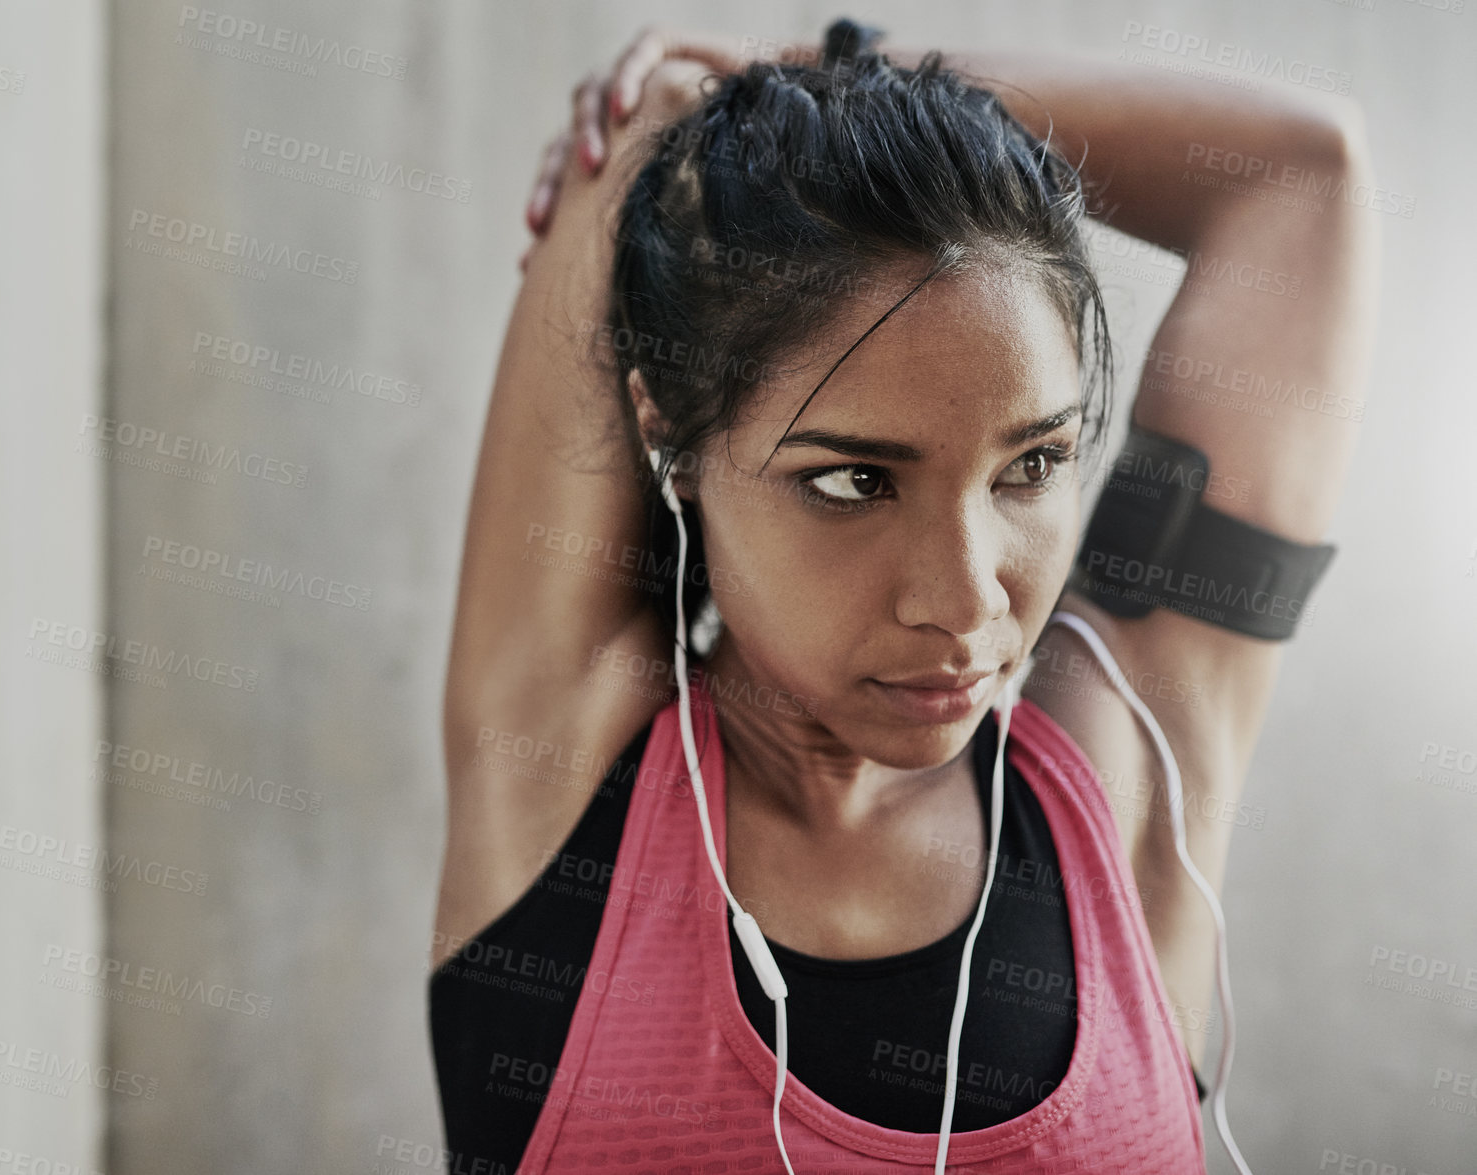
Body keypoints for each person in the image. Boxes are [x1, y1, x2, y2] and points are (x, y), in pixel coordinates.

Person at [430, 18, 1376, 1174]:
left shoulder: (1128, 775)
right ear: (665, 427)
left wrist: (835, 64)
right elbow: (657, 104)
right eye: (853, 480)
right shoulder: (568, 767)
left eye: (1029, 465)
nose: (967, 601)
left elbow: (1301, 177)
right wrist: (762, 105)